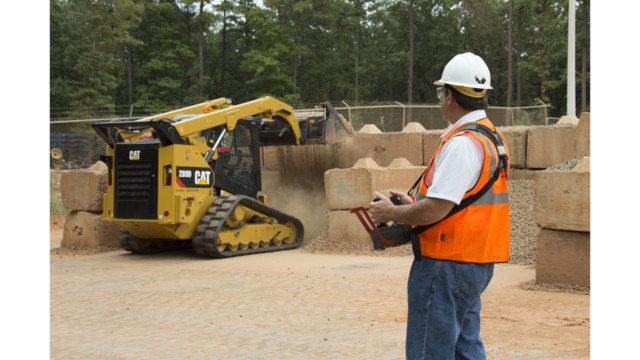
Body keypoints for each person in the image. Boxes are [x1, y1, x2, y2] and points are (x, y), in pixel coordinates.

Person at [368, 52, 510, 360]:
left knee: (430, 352)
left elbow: (436, 210)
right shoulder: (490, 138)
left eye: (441, 92)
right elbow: (462, 202)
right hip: (474, 260)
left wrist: (391, 212)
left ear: (449, 96)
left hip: (446, 265)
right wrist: (412, 204)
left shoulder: (462, 143)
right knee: (465, 349)